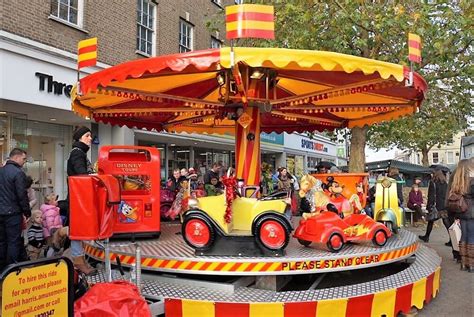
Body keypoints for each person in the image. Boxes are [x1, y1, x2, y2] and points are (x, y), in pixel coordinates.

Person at [67, 126, 97, 275]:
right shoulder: (78, 154)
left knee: (78, 228)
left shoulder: (79, 153)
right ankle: (78, 261)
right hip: (78, 198)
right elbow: (82, 176)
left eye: (90, 136)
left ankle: (79, 258)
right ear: (79, 138)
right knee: (78, 230)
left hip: (78, 197)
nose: (90, 138)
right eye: (87, 136)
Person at [0, 148, 31, 271]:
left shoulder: (1, 171)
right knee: (13, 242)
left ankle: (2, 271)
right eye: (23, 159)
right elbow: (21, 195)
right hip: (13, 213)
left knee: (1, 242)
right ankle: (11, 270)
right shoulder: (18, 173)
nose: (24, 162)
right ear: (16, 157)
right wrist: (27, 212)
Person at [449, 159, 474, 272]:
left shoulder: (458, 180)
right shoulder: (471, 181)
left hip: (461, 211)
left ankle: (464, 264)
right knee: (471, 237)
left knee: (463, 236)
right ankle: (472, 265)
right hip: (471, 211)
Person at [419, 169, 448, 243]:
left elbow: (431, 196)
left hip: (436, 206)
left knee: (431, 220)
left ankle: (426, 237)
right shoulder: (445, 183)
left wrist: (428, 207)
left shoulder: (433, 183)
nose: (431, 175)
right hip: (444, 205)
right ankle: (452, 239)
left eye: (432, 173)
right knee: (446, 222)